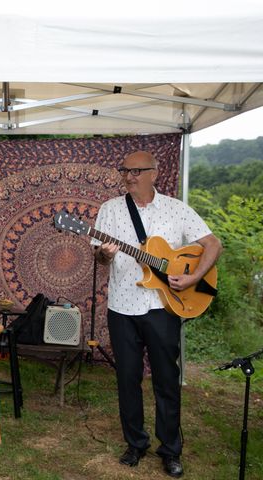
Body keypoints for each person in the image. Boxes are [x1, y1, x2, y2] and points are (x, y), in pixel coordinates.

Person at [93, 150, 222, 478]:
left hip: (163, 308)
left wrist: (193, 277)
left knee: (166, 380)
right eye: (125, 170)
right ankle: (135, 443)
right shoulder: (110, 210)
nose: (129, 176)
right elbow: (100, 259)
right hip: (122, 306)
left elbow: (213, 244)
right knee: (127, 379)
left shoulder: (177, 209)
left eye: (137, 170)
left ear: (155, 172)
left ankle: (170, 449)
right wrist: (105, 256)